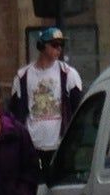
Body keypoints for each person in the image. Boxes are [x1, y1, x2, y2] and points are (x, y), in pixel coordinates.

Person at [9, 27, 83, 175]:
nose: (59, 49)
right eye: (55, 44)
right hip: (32, 146)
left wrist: (74, 143)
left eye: (61, 45)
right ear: (42, 46)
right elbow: (15, 112)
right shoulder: (22, 76)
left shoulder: (68, 74)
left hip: (59, 145)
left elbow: (78, 109)